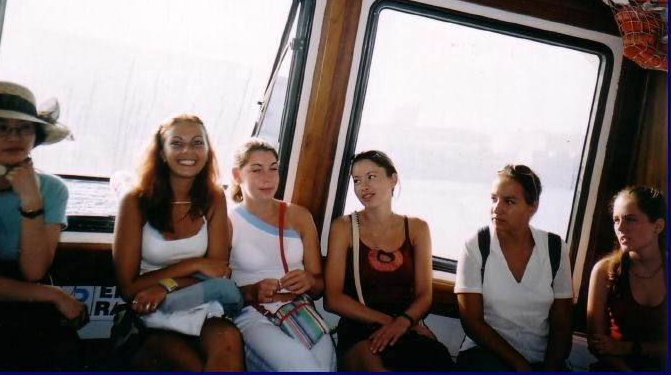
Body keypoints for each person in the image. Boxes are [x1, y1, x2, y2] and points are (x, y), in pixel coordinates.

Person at [111, 114, 244, 371]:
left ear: (207, 151)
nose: (188, 151)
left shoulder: (214, 197)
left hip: (199, 302)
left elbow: (217, 272)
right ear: (161, 153)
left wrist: (167, 285)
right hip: (147, 309)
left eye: (197, 142)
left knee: (228, 340)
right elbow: (128, 288)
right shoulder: (135, 201)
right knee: (188, 363)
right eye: (177, 143)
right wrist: (194, 264)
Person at [0, 80, 87, 370]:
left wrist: (31, 201)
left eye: (24, 128)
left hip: (23, 305)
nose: (14, 137)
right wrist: (54, 295)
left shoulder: (52, 190)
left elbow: (34, 271)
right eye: (0, 127)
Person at [324, 150, 454, 371]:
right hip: (360, 329)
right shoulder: (343, 227)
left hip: (404, 325)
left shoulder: (417, 228)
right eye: (357, 180)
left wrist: (404, 323)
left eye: (371, 177)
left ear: (393, 179)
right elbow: (332, 299)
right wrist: (393, 323)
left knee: (439, 360)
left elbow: (425, 295)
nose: (363, 186)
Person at [228, 138, 335, 371]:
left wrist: (309, 280)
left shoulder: (300, 216)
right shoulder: (227, 222)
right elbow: (217, 291)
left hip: (299, 310)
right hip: (252, 314)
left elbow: (318, 287)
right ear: (237, 175)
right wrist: (251, 291)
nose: (267, 178)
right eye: (257, 170)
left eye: (273, 168)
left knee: (325, 368)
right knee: (304, 368)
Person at [454, 164, 573, 371]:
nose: (497, 208)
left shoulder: (555, 248)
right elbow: (471, 321)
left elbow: (562, 322)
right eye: (494, 199)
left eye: (509, 201)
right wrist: (520, 366)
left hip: (539, 358)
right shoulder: (476, 245)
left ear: (533, 207)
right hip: (485, 354)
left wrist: (551, 369)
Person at [586, 186, 667, 371]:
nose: (620, 228)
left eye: (630, 219)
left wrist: (628, 348)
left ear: (658, 226)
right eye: (616, 220)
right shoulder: (604, 271)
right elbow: (596, 343)